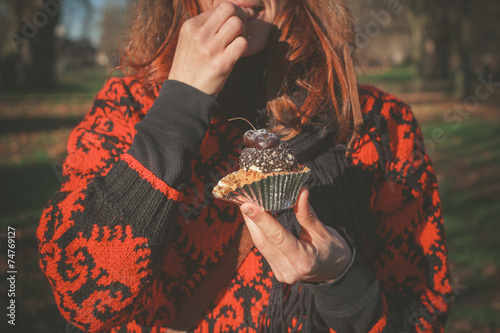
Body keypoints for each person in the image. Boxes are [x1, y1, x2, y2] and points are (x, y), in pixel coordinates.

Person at [37, 0, 453, 332]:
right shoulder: (132, 106)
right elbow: (84, 299)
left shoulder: (377, 124)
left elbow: (425, 313)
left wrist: (342, 281)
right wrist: (178, 107)